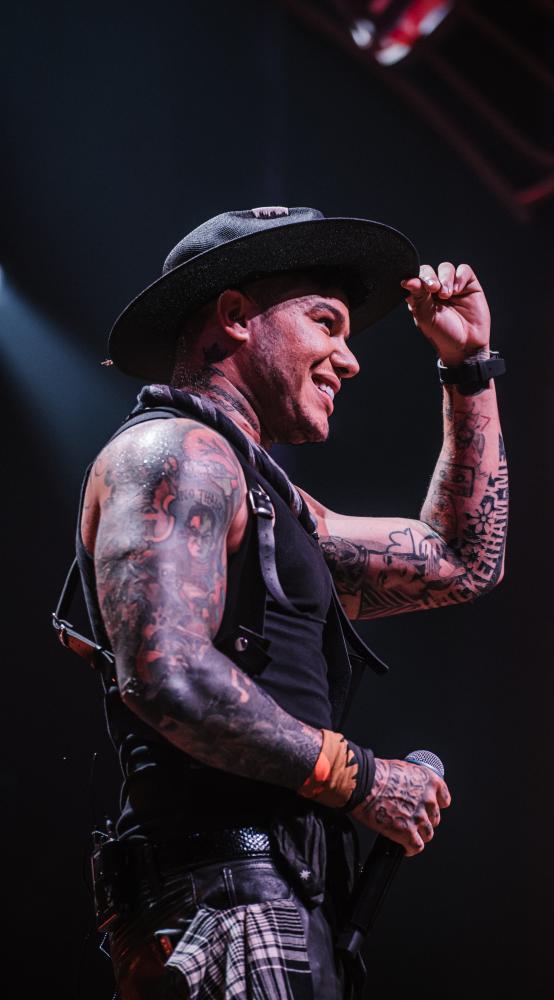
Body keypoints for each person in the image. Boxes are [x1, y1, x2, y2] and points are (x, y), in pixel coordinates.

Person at [69, 206, 507, 999]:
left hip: (269, 899)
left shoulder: (266, 497)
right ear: (236, 316)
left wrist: (468, 369)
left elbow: (460, 562)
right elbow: (167, 673)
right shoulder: (175, 452)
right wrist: (361, 779)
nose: (350, 360)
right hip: (225, 900)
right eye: (326, 323)